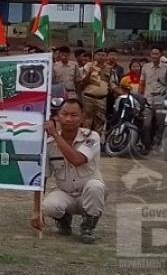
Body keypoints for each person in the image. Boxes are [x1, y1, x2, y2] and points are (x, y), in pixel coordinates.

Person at [37, 98, 106, 244]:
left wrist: (55, 135)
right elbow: (41, 179)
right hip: (66, 194)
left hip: (87, 196)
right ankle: (64, 221)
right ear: (57, 117)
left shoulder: (91, 137)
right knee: (49, 205)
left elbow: (77, 159)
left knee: (96, 186)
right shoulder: (49, 145)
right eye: (64, 114)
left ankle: (88, 227)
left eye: (74, 115)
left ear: (82, 117)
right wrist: (36, 211)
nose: (69, 119)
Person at [77, 49, 110, 134]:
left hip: (102, 99)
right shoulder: (88, 66)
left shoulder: (109, 69)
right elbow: (82, 82)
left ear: (106, 57)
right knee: (87, 122)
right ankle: (84, 143)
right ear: (94, 56)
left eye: (103, 55)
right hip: (89, 98)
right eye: (98, 55)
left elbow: (111, 84)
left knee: (100, 122)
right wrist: (89, 73)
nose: (101, 57)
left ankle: (96, 142)